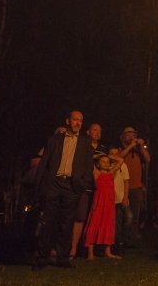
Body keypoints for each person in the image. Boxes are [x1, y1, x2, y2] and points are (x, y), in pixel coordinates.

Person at [33, 110, 94, 269]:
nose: (78, 123)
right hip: (54, 184)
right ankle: (42, 257)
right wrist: (40, 186)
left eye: (81, 120)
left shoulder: (85, 143)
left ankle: (63, 258)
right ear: (68, 121)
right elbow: (44, 163)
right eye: (75, 120)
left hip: (72, 186)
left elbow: (88, 167)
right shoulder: (54, 140)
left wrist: (81, 184)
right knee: (48, 222)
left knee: (67, 223)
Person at [84, 147, 130, 260]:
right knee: (94, 224)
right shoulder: (97, 174)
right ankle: (90, 253)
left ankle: (107, 251)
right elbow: (88, 160)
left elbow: (121, 161)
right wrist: (98, 157)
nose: (106, 163)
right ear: (98, 164)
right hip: (99, 203)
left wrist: (110, 157)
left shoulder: (111, 173)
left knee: (108, 224)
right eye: (103, 162)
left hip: (109, 204)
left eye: (107, 162)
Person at [70, 122, 108, 258]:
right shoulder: (82, 146)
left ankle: (90, 250)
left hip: (99, 190)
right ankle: (73, 249)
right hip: (84, 187)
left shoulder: (103, 149)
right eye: (94, 130)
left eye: (100, 130)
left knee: (94, 220)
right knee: (80, 217)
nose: (97, 133)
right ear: (88, 132)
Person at [118, 126, 151, 246]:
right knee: (124, 215)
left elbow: (148, 159)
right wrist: (131, 146)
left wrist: (141, 146)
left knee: (135, 216)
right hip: (122, 187)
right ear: (123, 136)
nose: (131, 136)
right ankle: (120, 238)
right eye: (129, 134)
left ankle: (131, 240)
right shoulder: (120, 148)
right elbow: (119, 157)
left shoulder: (138, 150)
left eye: (133, 134)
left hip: (136, 187)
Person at [107, 146, 131, 255]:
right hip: (111, 198)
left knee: (129, 217)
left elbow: (126, 181)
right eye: (111, 153)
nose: (113, 156)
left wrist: (126, 197)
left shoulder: (123, 165)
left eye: (116, 153)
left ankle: (122, 239)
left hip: (121, 197)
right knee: (116, 223)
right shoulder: (106, 165)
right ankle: (117, 244)